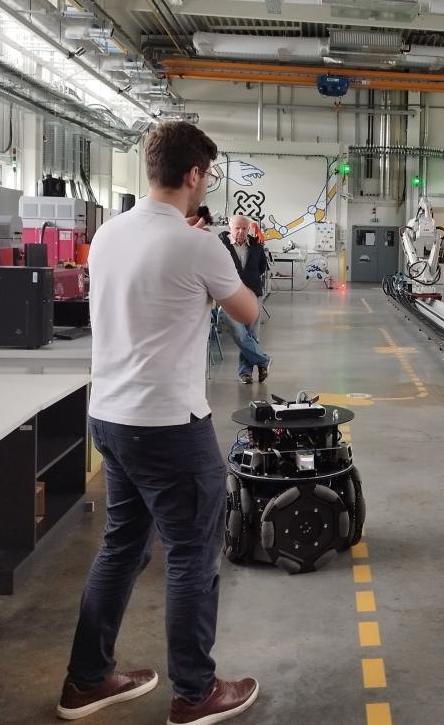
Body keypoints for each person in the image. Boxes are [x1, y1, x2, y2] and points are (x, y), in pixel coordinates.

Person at [57, 121, 263, 724]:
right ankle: (195, 693)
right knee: (192, 555)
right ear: (194, 174)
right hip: (169, 426)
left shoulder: (108, 235)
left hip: (110, 418)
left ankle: (86, 680)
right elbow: (248, 311)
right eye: (208, 174)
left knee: (122, 547)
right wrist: (216, 256)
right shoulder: (199, 245)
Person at [219, 215, 272, 384]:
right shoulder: (221, 245)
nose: (241, 232)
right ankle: (263, 360)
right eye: (237, 228)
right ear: (230, 228)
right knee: (240, 334)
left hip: (253, 293)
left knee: (252, 335)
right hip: (230, 295)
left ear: (248, 229)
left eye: (244, 228)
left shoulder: (256, 245)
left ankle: (245, 373)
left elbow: (262, 267)